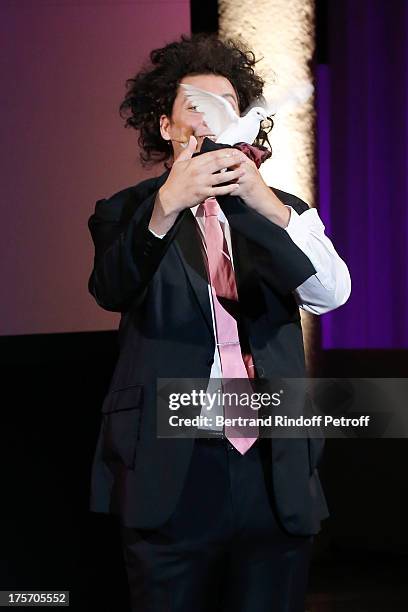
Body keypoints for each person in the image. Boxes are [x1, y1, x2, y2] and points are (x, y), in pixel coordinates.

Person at [87, 33, 351, 612]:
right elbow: (111, 287)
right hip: (173, 465)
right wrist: (166, 207)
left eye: (226, 107)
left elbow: (331, 294)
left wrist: (266, 205)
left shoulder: (279, 209)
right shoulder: (127, 211)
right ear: (166, 127)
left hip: (273, 465)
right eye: (195, 108)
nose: (212, 121)